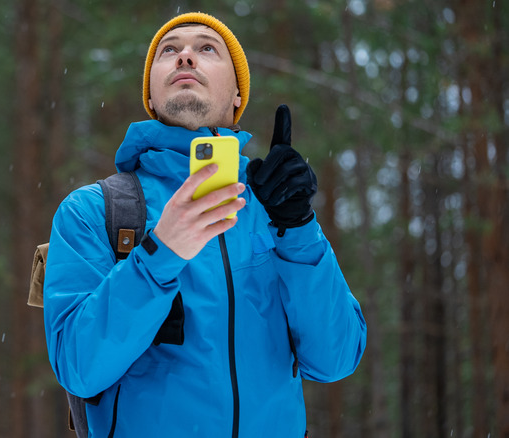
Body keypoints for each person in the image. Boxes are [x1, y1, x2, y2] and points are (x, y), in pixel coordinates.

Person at [43, 12, 367, 437]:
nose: (185, 57)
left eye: (207, 48)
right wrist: (160, 253)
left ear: (237, 95)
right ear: (152, 99)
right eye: (169, 51)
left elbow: (335, 359)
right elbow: (80, 368)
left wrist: (300, 229)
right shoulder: (93, 211)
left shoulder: (274, 209)